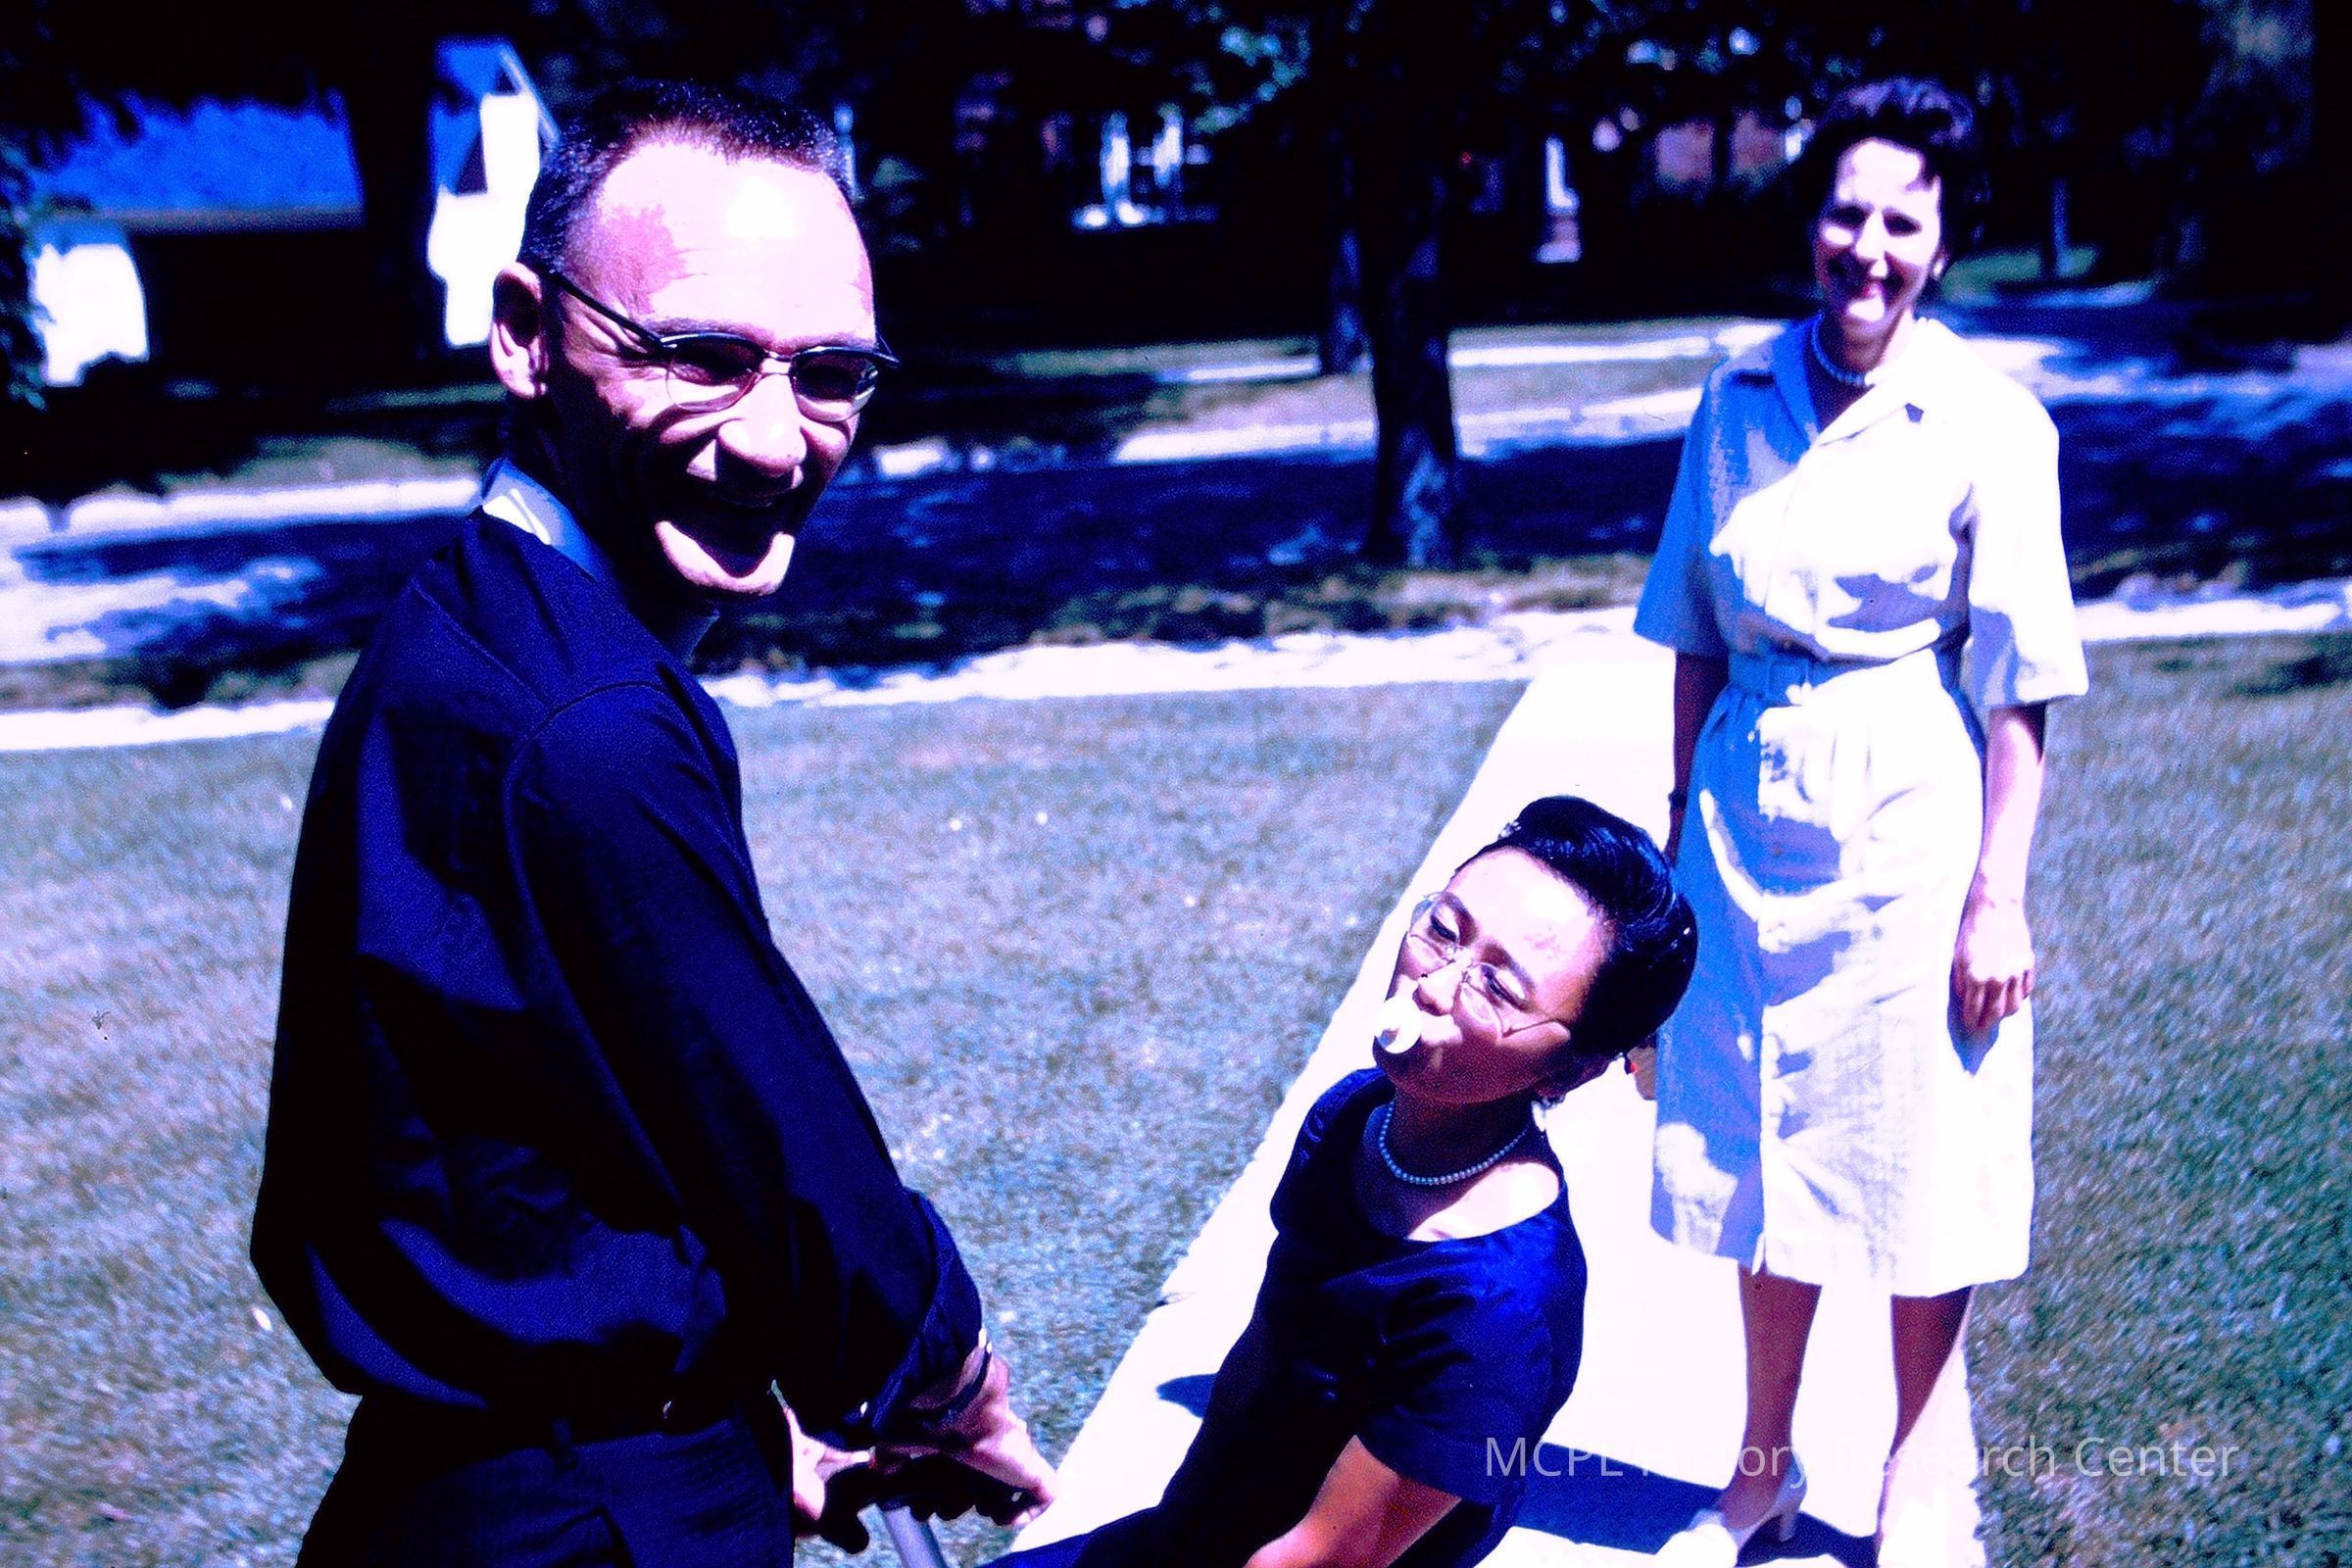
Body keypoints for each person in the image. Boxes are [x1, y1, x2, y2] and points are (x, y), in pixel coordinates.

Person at [250, 80, 1054, 1566]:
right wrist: (946, 1380)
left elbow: (578, 1123)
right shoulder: (589, 725)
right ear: (524, 334)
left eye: (832, 374)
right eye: (701, 357)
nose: (776, 443)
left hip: (485, 1482)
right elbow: (779, 1141)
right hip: (589, 1515)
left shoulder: (473, 617)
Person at [1632, 78, 2088, 1568]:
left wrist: (1998, 895)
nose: (1868, 249)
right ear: (1810, 224)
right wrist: (1670, 858)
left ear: (1943, 245)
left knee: (1913, 1146)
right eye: (1846, 214)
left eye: (1902, 222)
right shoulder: (1732, 399)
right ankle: (1762, 1464)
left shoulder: (1991, 422)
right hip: (1739, 814)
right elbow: (1693, 640)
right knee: (1760, 1140)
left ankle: (1918, 1469)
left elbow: (2020, 686)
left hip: (1908, 813)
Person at [994, 797, 1698, 1568]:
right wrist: (1177, 1529)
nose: (1434, 986)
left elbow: (1320, 1559)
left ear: (1571, 1070)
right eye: (1443, 929)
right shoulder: (1356, 1115)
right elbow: (1262, 1356)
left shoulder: (1495, 1314)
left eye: (1498, 988)